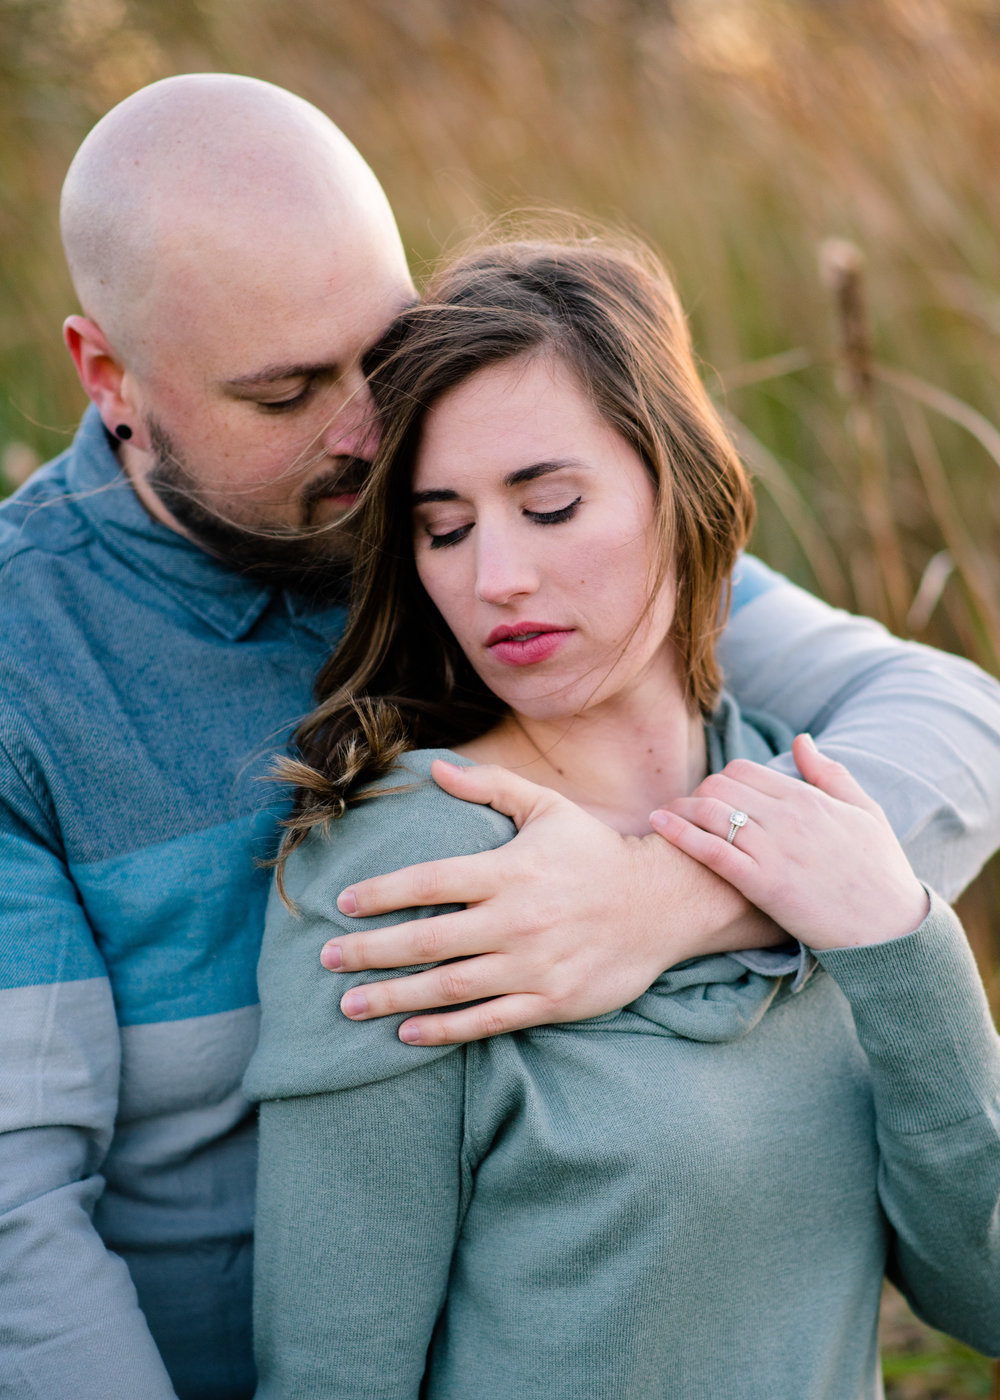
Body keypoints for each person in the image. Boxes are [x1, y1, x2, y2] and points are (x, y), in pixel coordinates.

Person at [1, 73, 999, 1400]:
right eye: (287, 390)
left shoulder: (499, 522)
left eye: (384, 346)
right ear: (110, 376)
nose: (371, 426)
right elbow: (20, 1219)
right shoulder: (34, 664)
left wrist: (672, 894)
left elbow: (950, 717)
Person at [246, 236, 1000, 1399]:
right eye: (443, 527)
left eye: (549, 504)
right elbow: (335, 1368)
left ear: (681, 488)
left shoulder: (799, 806)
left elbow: (981, 1293)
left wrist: (899, 941)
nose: (494, 573)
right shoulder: (408, 862)